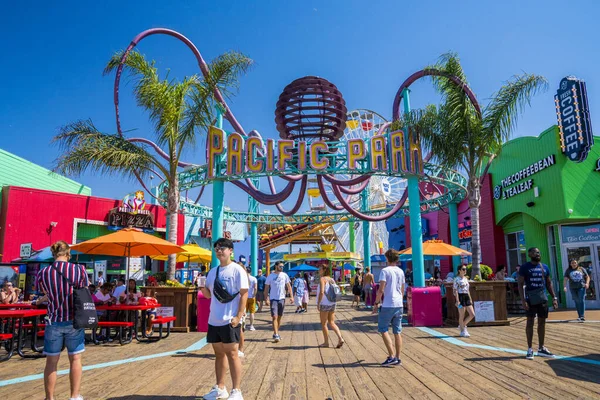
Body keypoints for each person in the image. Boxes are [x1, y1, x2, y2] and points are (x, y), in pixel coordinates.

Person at [36, 240, 89, 400]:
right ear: (68, 254)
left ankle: (49, 397)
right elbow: (85, 290)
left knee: (51, 362)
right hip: (74, 320)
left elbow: (44, 292)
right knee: (75, 359)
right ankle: (74, 396)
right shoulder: (79, 269)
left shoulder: (43, 273)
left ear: (53, 254)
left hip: (53, 320)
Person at [200, 238, 249, 400]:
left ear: (230, 251)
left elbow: (244, 293)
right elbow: (208, 295)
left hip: (230, 319)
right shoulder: (213, 271)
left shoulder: (237, 270)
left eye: (222, 248)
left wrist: (238, 316)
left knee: (233, 354)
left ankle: (237, 391)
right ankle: (220, 387)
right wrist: (200, 287)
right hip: (214, 319)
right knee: (219, 354)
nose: (219, 250)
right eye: (216, 248)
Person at [518, 247, 558, 360]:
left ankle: (541, 348)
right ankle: (530, 349)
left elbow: (549, 283)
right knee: (530, 322)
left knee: (542, 322)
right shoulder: (525, 267)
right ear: (529, 254)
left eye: (539, 252)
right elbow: (520, 284)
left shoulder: (544, 267)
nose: (538, 253)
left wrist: (554, 297)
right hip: (530, 298)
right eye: (535, 252)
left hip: (542, 298)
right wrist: (523, 300)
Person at [373, 249, 405, 367]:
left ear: (387, 258)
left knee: (383, 329)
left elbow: (381, 289)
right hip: (399, 304)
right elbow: (402, 289)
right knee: (397, 331)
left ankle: (391, 356)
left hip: (388, 304)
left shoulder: (384, 271)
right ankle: (398, 357)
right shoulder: (401, 271)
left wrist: (376, 303)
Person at [316, 265, 344, 348]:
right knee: (332, 322)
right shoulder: (332, 279)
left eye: (320, 269)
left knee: (324, 323)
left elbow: (321, 292)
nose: (318, 270)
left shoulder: (322, 279)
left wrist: (318, 303)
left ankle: (326, 342)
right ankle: (340, 338)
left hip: (324, 303)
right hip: (332, 303)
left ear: (324, 270)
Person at [265, 262, 293, 343]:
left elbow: (289, 286)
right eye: (280, 266)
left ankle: (276, 332)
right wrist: (266, 298)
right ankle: (276, 334)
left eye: (282, 266)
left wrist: (291, 296)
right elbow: (266, 288)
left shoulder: (284, 275)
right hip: (273, 299)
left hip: (282, 298)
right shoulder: (270, 276)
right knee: (274, 317)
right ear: (276, 266)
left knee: (279, 317)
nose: (282, 267)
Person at [453, 265, 475, 337]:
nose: (465, 270)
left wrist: (470, 298)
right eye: (463, 269)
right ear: (459, 270)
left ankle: (462, 325)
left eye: (465, 269)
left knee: (472, 314)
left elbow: (467, 290)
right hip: (460, 296)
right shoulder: (456, 279)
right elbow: (455, 290)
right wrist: (457, 300)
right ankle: (462, 331)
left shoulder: (465, 279)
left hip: (466, 296)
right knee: (462, 315)